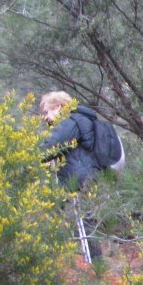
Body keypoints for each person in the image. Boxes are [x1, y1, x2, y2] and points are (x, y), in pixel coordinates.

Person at [40, 91, 105, 262]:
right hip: (88, 176)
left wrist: (27, 155)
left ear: (59, 107)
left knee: (84, 225)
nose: (45, 117)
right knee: (86, 222)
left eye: (47, 111)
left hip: (79, 179)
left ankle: (94, 267)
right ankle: (93, 264)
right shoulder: (80, 120)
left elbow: (50, 148)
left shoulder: (71, 122)